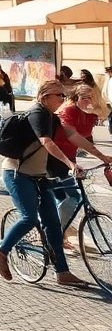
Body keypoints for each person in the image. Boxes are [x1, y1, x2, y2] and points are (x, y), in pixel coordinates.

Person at [0, 80, 98, 288]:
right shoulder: (37, 113)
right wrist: (69, 164)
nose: (62, 98)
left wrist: (102, 156)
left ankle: (63, 272)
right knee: (29, 217)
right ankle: (1, 250)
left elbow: (73, 136)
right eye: (59, 95)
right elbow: (46, 142)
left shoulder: (52, 117)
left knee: (53, 225)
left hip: (39, 176)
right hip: (17, 174)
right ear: (45, 96)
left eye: (63, 95)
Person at [50, 85, 112, 251]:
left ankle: (58, 233)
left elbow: (88, 140)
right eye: (84, 98)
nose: (88, 101)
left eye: (91, 97)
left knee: (64, 198)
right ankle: (53, 233)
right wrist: (101, 156)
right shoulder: (68, 111)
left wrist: (102, 157)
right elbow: (74, 137)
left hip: (69, 158)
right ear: (75, 98)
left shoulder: (88, 114)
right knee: (72, 197)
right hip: (54, 158)